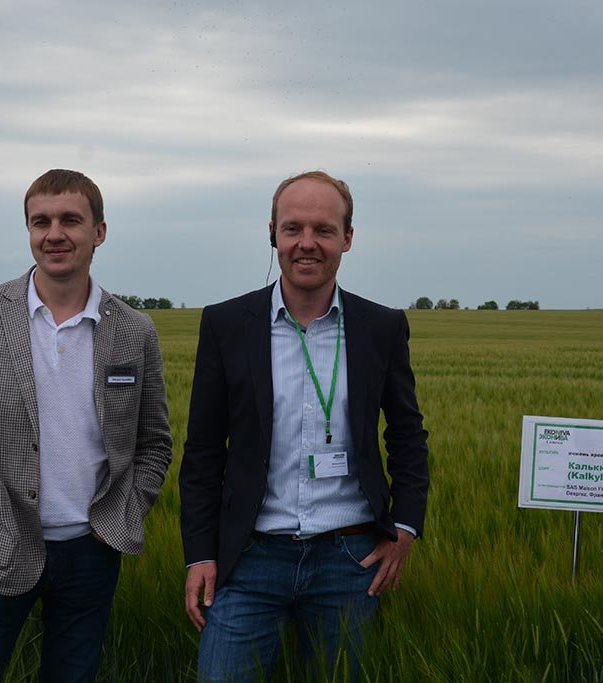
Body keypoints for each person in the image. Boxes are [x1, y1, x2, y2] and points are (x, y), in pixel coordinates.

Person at [0, 169, 174, 682]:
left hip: (91, 553)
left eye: (70, 220)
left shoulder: (133, 330)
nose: (54, 234)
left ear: (99, 231)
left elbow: (154, 442)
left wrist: (123, 514)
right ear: (29, 230)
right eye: (41, 222)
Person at [180, 170, 429, 682]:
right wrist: (199, 555)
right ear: (272, 233)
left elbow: (407, 436)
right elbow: (203, 449)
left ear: (348, 238)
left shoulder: (381, 327)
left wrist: (404, 528)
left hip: (350, 559)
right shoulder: (226, 324)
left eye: (324, 229)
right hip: (250, 557)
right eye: (293, 228)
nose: (307, 243)